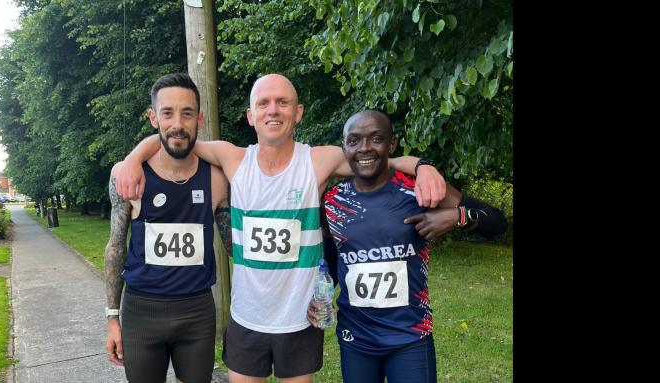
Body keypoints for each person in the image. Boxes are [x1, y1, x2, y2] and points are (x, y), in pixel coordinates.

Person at [115, 74, 446, 383]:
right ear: (250, 115)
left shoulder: (318, 160)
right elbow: (174, 136)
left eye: (283, 102)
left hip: (300, 319)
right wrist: (132, 160)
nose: (273, 110)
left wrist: (422, 165)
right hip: (246, 320)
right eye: (263, 103)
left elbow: (374, 159)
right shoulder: (233, 158)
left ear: (298, 112)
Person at [309, 110, 507, 383]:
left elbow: (496, 222)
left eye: (375, 138)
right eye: (354, 140)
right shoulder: (331, 203)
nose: (365, 147)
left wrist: (457, 216)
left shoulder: (417, 189)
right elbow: (333, 261)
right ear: (345, 148)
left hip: (410, 336)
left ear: (391, 145)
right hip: (355, 338)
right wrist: (319, 294)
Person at [103, 73, 233, 383]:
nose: (178, 123)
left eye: (187, 113)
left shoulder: (217, 178)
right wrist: (111, 318)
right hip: (141, 312)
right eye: (167, 113)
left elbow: (235, 247)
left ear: (199, 119)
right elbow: (115, 247)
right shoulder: (129, 177)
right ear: (153, 118)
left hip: (197, 311)